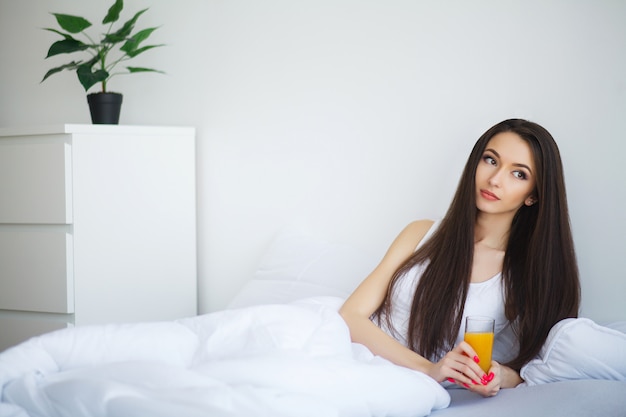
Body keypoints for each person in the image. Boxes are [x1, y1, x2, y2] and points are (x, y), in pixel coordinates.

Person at [339, 118, 581, 397]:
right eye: (491, 160)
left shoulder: (522, 275)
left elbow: (536, 364)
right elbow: (350, 315)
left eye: (519, 174)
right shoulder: (422, 232)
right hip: (350, 356)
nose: (495, 179)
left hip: (406, 389)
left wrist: (501, 375)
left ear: (533, 196)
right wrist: (428, 369)